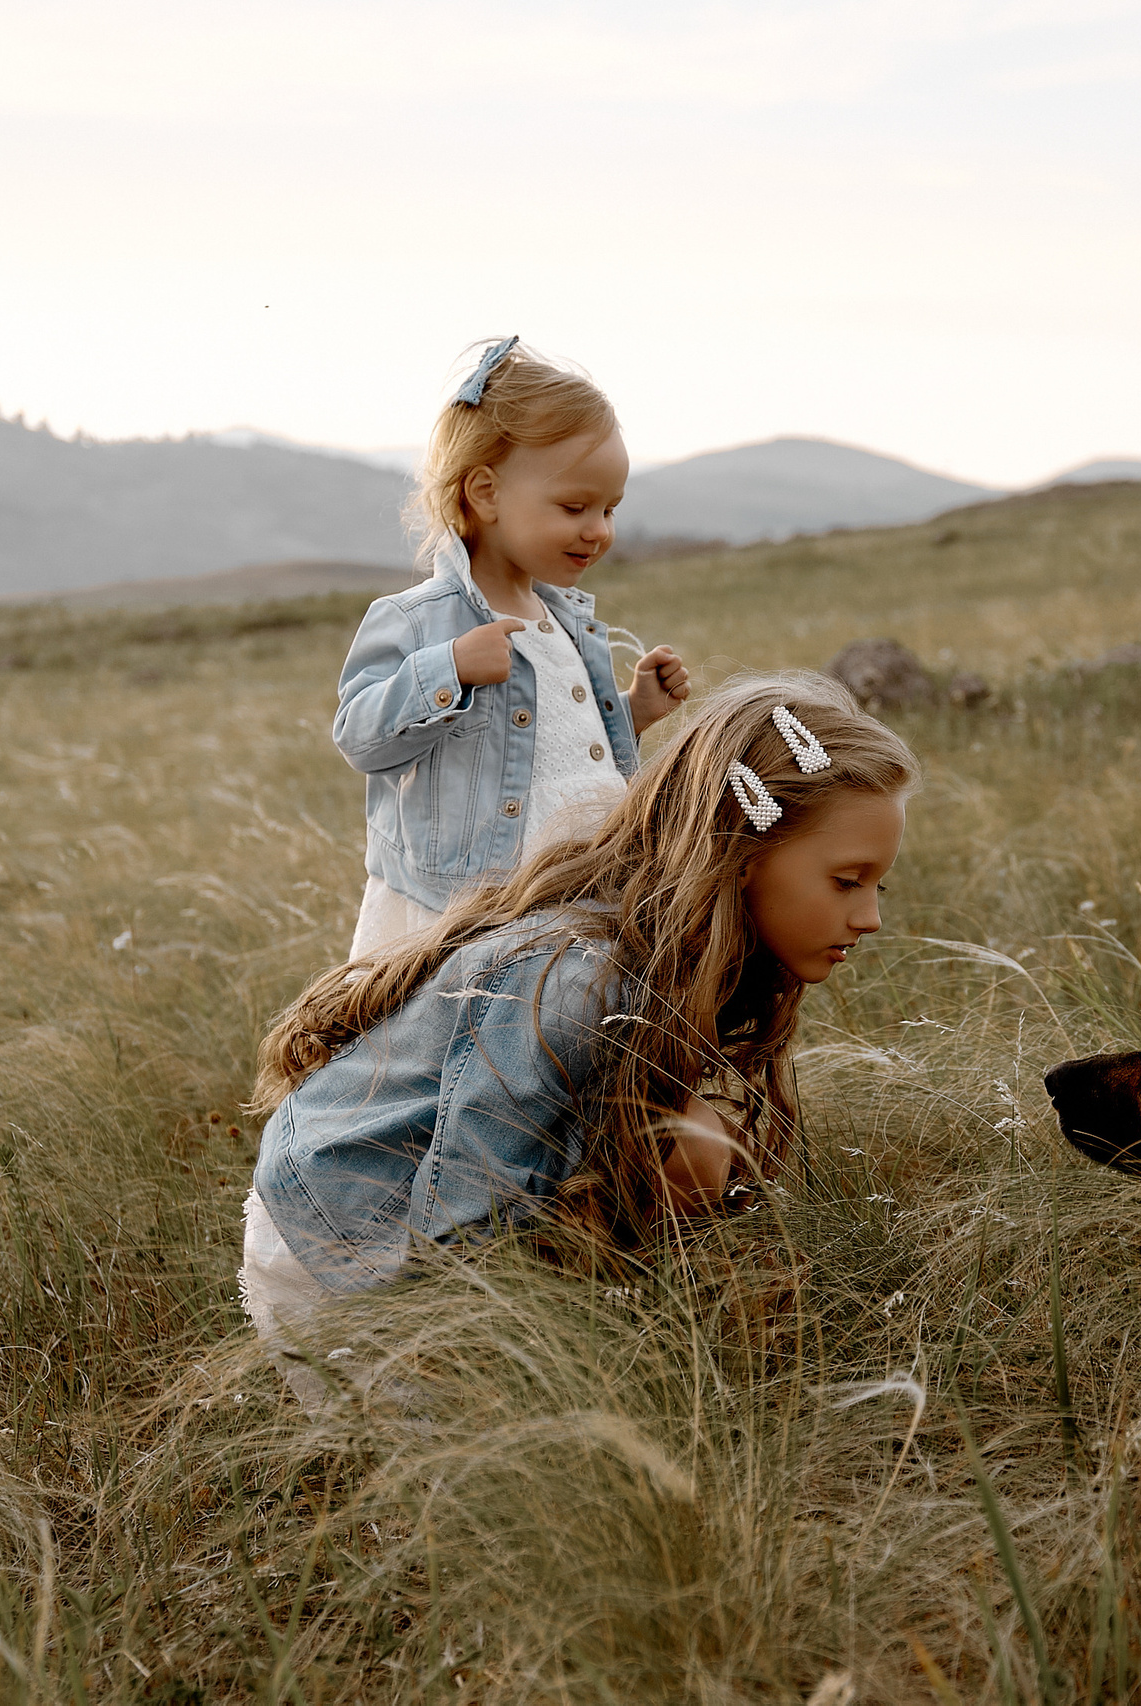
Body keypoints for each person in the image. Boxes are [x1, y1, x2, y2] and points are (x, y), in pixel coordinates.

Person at [240, 673, 914, 1406]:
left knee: (699, 1140)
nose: (871, 916)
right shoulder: (576, 981)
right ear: (739, 852)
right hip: (340, 1240)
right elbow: (461, 1223)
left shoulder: (687, 955)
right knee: (695, 1146)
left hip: (430, 1215)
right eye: (847, 881)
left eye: (879, 884)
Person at [332, 336, 693, 961]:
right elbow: (359, 737)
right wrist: (448, 669)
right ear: (486, 493)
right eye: (574, 505)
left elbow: (555, 748)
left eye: (610, 509)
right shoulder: (419, 620)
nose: (599, 530)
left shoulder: (566, 620)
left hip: (580, 889)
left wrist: (632, 712)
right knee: (445, 1048)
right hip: (470, 910)